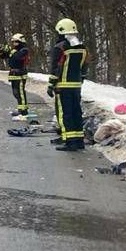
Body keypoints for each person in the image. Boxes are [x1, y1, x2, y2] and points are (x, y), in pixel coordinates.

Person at [48, 18, 88, 152]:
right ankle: (79, 140)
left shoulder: (60, 48)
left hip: (63, 86)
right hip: (76, 85)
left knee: (65, 113)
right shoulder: (82, 47)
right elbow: (84, 66)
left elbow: (56, 68)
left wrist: (51, 84)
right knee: (76, 112)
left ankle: (69, 141)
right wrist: (80, 79)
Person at [0, 33, 31, 118]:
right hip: (13, 73)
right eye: (13, 42)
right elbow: (4, 57)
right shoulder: (14, 50)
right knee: (15, 93)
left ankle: (23, 110)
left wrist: (11, 51)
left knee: (20, 92)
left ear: (20, 41)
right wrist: (1, 51)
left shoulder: (24, 50)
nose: (14, 44)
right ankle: (21, 108)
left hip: (20, 74)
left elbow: (18, 57)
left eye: (16, 42)